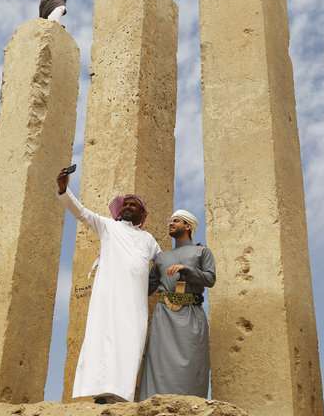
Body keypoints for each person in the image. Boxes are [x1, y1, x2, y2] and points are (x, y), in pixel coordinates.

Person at [56, 167, 161, 404]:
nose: (127, 207)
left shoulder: (148, 239)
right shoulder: (108, 227)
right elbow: (81, 213)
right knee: (104, 336)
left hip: (135, 301)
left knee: (131, 340)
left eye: (133, 205)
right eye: (125, 204)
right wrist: (64, 190)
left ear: (141, 214)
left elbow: (163, 262)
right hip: (109, 295)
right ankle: (103, 392)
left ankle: (123, 394)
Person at [139, 210, 216, 400]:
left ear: (188, 226)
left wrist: (187, 270)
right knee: (159, 364)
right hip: (163, 317)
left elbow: (210, 279)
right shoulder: (161, 258)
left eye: (176, 221)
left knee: (191, 364)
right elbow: (147, 287)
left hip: (191, 315)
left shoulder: (202, 251)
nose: (170, 223)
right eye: (170, 220)